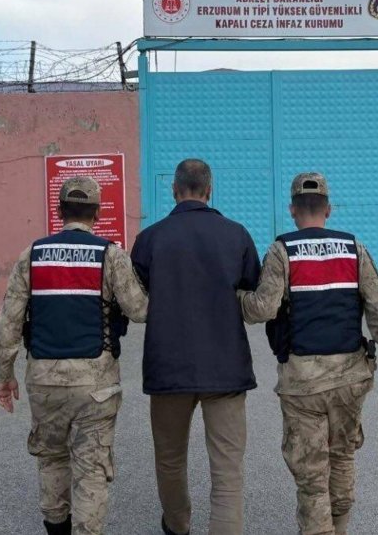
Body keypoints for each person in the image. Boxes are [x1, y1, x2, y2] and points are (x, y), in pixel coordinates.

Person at [238, 172, 378, 535]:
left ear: (292, 210)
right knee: (343, 454)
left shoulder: (281, 251)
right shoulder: (354, 248)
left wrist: (235, 297)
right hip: (351, 377)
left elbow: (262, 309)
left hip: (302, 384)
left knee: (312, 473)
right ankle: (340, 526)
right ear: (328, 210)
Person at [0, 176, 149, 535]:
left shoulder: (31, 256)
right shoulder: (111, 255)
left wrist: (4, 376)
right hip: (96, 383)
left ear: (59, 211)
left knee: (51, 458)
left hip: (43, 380)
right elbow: (140, 310)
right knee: (91, 468)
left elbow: (7, 325)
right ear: (97, 213)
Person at [130, 158, 261, 535]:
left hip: (167, 368)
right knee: (227, 468)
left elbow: (134, 297)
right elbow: (251, 288)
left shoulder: (150, 238)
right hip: (226, 368)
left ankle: (177, 525)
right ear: (209, 190)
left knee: (170, 460)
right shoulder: (236, 234)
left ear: (174, 191)